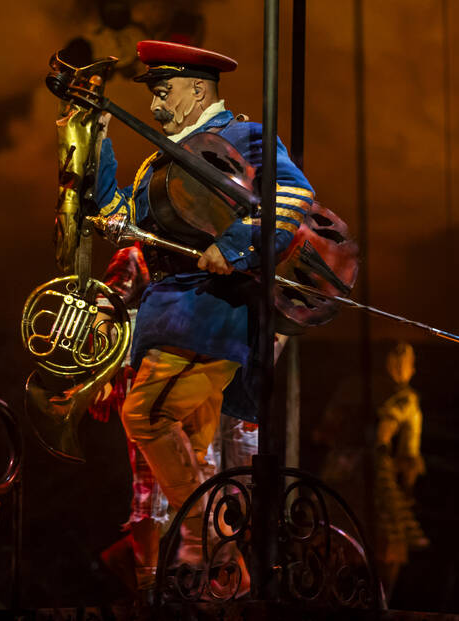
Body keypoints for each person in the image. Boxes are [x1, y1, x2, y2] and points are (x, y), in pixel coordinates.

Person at [94, 39, 314, 575]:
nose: (155, 106)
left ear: (197, 90)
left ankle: (213, 546)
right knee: (190, 445)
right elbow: (121, 213)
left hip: (206, 316)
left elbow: (293, 194)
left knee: (145, 415)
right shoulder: (158, 159)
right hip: (169, 316)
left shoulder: (244, 137)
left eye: (164, 92)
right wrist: (98, 143)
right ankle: (214, 573)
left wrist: (234, 243)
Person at [313, 340, 428, 597]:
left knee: (333, 534)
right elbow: (409, 455)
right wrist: (408, 491)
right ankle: (378, 605)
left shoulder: (350, 386)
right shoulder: (405, 398)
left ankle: (330, 601)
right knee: (385, 546)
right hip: (373, 472)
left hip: (339, 467)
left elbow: (324, 431)